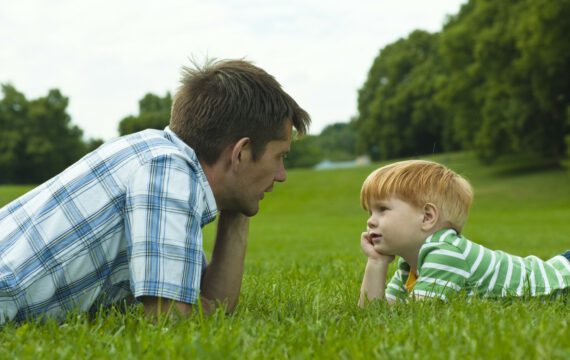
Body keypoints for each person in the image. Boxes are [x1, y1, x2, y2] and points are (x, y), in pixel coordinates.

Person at [0, 59, 310, 323]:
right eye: (279, 156)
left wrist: (239, 210)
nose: (281, 175)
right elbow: (169, 318)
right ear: (241, 153)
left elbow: (213, 304)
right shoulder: (167, 171)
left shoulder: (161, 157)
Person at [358, 160, 570, 305]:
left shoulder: (446, 253)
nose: (370, 221)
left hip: (563, 281)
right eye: (370, 211)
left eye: (382, 209)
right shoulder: (410, 265)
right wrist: (377, 262)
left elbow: (414, 319)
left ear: (427, 217)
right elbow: (377, 315)